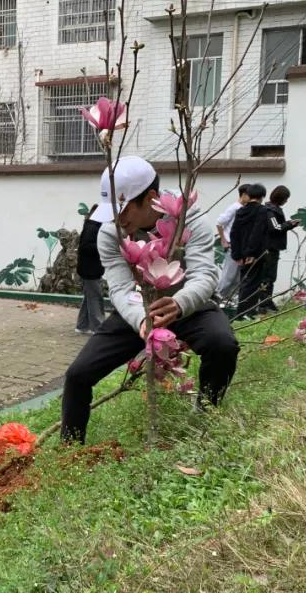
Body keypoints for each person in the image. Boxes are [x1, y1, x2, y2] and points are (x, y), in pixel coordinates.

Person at [61, 157, 239, 444]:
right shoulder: (110, 233)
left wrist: (180, 303)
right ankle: (70, 447)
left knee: (223, 345)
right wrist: (141, 319)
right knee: (78, 375)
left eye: (125, 209)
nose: (119, 220)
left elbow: (205, 274)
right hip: (138, 309)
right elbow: (119, 287)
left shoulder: (189, 219)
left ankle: (205, 416)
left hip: (189, 305)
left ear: (151, 198)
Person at [229, 183, 270, 320]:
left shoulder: (240, 211)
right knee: (253, 283)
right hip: (255, 253)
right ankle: (245, 313)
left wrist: (237, 254)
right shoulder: (262, 211)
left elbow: (234, 233)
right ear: (262, 196)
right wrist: (251, 253)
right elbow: (257, 232)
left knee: (244, 282)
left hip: (241, 253)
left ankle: (243, 312)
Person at [258, 185, 298, 314]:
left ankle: (267, 302)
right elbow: (275, 228)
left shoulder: (273, 210)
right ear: (281, 198)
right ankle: (264, 303)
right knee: (268, 277)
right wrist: (289, 224)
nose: (286, 201)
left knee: (270, 277)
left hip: (273, 248)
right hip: (269, 249)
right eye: (286, 198)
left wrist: (289, 224)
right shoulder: (270, 211)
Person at [214, 184, 251, 306]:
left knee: (237, 279)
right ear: (243, 195)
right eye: (250, 196)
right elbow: (219, 222)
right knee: (228, 277)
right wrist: (223, 240)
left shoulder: (244, 208)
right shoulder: (234, 208)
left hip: (240, 247)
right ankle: (216, 300)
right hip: (231, 246)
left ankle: (226, 302)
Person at [75, 204, 105, 335]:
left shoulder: (92, 225)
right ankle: (98, 328)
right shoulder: (93, 226)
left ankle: (82, 326)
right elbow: (86, 246)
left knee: (89, 297)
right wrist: (103, 245)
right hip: (90, 269)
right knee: (95, 297)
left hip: (89, 268)